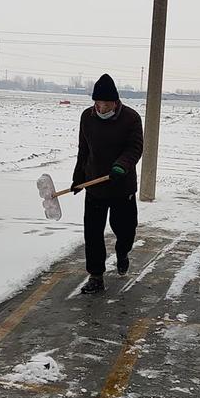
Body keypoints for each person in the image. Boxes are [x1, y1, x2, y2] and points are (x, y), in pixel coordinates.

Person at [71, 74, 143, 293]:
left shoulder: (130, 118)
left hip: (122, 186)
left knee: (125, 230)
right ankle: (96, 276)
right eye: (98, 103)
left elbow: (135, 148)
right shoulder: (87, 117)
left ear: (115, 102)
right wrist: (78, 178)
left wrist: (121, 165)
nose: (101, 108)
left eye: (106, 104)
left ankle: (122, 253)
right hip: (95, 185)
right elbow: (84, 150)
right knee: (92, 233)